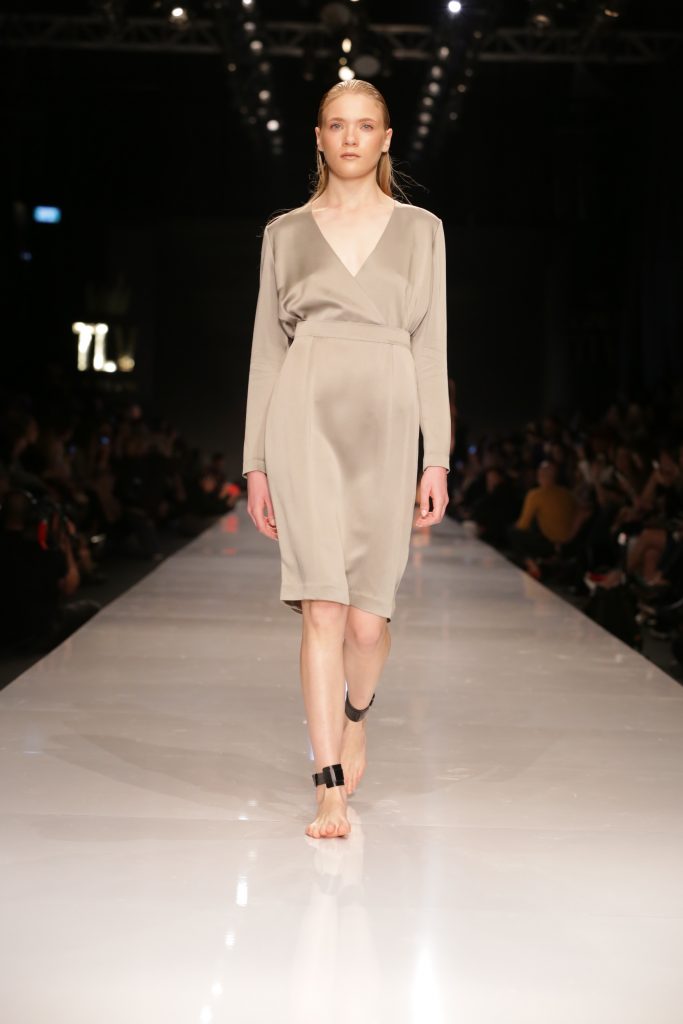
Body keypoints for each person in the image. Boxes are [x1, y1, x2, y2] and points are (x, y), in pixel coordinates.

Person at [242, 80, 452, 840]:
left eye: (366, 126)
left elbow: (431, 351)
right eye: (338, 125)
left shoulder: (422, 230)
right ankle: (327, 785)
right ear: (319, 137)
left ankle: (356, 717)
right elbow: (267, 353)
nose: (352, 138)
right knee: (321, 608)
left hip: (388, 425)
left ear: (386, 139)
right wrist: (255, 463)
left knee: (367, 624)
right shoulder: (285, 233)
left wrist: (437, 456)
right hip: (304, 419)